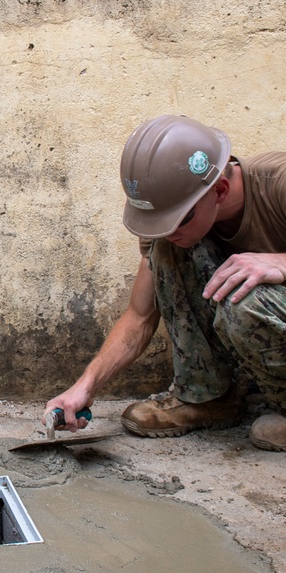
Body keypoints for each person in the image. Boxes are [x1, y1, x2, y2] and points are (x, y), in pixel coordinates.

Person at [45, 114, 286, 453]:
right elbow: (139, 317)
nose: (169, 232)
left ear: (219, 190)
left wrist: (280, 261)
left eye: (177, 220)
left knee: (247, 299)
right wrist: (86, 386)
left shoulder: (278, 183)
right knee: (167, 252)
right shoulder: (171, 237)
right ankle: (207, 398)